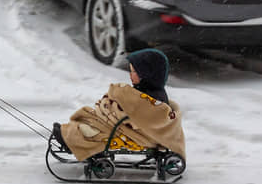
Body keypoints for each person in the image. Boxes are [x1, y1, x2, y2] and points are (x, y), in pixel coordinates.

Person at [52, 48, 185, 162]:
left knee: (96, 132)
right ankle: (74, 134)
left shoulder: (153, 98)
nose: (130, 75)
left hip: (135, 134)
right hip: (124, 126)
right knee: (92, 122)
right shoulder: (144, 90)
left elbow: (140, 117)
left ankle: (74, 140)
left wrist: (116, 105)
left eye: (134, 71)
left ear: (146, 75)